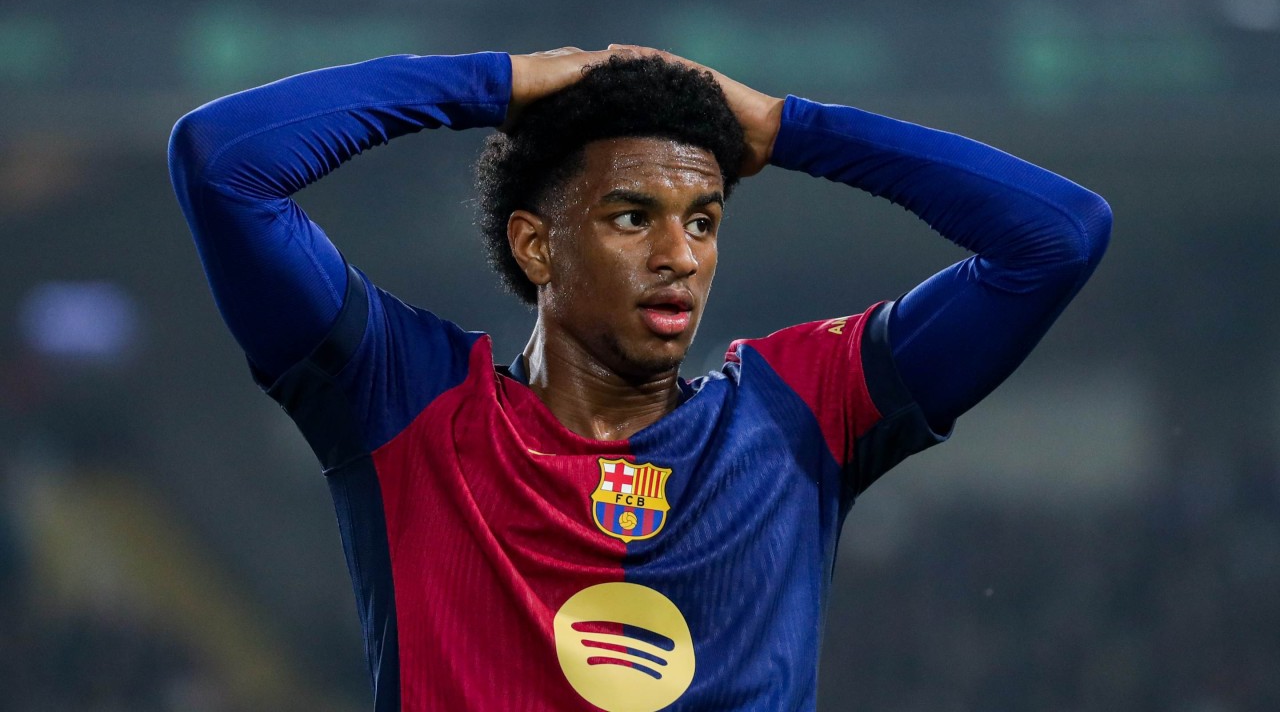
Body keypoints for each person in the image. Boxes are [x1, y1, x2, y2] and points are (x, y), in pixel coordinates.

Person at [168, 44, 1110, 711]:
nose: (679, 256)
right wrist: (494, 83)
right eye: (632, 218)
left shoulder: (798, 412)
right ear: (536, 245)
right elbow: (223, 164)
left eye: (703, 221)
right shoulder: (404, 399)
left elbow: (1057, 237)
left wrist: (788, 127)